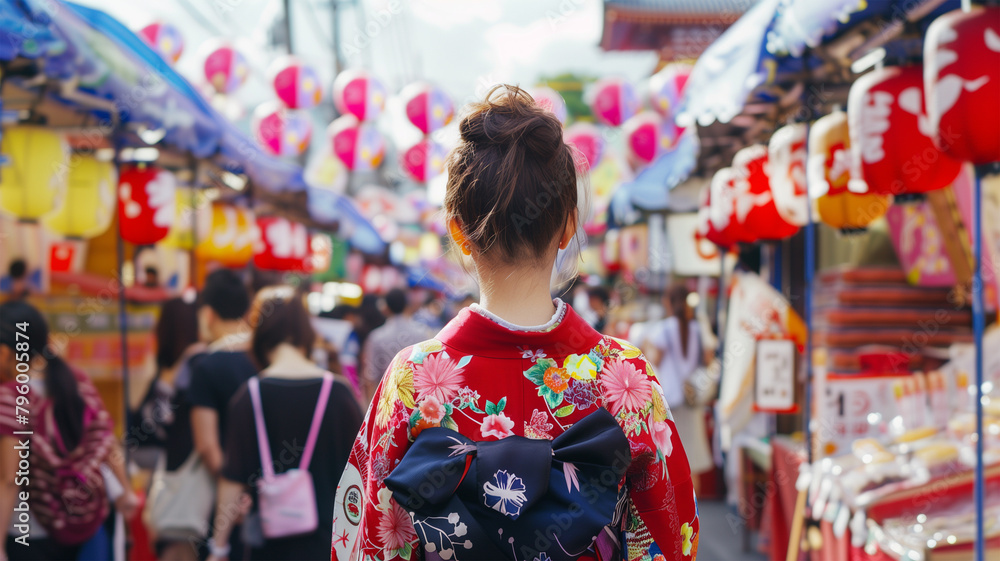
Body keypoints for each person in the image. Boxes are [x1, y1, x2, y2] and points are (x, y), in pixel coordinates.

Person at [332, 86, 698, 561]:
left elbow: (367, 544)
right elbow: (673, 539)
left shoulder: (412, 382)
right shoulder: (625, 378)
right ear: (569, 225)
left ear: (457, 230)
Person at [207, 286, 362, 561]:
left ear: (259, 333)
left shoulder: (250, 396)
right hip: (332, 545)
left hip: (268, 547)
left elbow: (232, 480)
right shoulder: (338, 393)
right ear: (305, 330)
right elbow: (364, 473)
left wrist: (218, 547)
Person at [0, 301, 138, 561]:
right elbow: (105, 438)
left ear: (6, 352)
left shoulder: (12, 396)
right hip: (84, 521)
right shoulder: (76, 380)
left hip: (29, 531)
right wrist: (126, 490)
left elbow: (9, 477)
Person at [645, 285, 714, 494]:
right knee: (692, 459)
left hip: (670, 402)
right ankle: (695, 515)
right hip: (692, 400)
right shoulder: (697, 328)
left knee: (672, 458)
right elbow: (709, 359)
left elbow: (653, 361)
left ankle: (678, 514)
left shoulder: (662, 329)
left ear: (668, 303)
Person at [361, 288, 432, 401]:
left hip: (387, 400)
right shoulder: (422, 333)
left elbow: (370, 377)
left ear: (386, 308)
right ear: (406, 306)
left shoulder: (376, 337)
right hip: (416, 400)